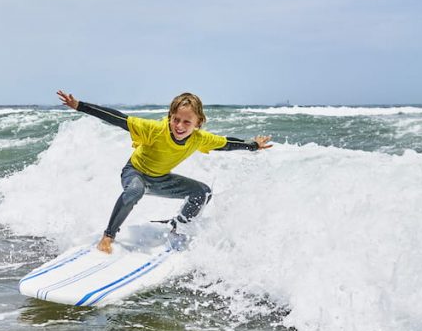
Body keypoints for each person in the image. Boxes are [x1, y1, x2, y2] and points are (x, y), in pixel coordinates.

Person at [57, 90, 272, 253]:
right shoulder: (155, 130)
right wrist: (80, 106)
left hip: (160, 179)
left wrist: (252, 145)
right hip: (135, 173)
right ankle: (108, 236)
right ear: (170, 116)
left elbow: (226, 143)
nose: (179, 125)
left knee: (202, 192)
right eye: (176, 119)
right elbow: (118, 118)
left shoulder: (199, 139)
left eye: (187, 122)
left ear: (198, 123)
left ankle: (177, 228)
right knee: (134, 191)